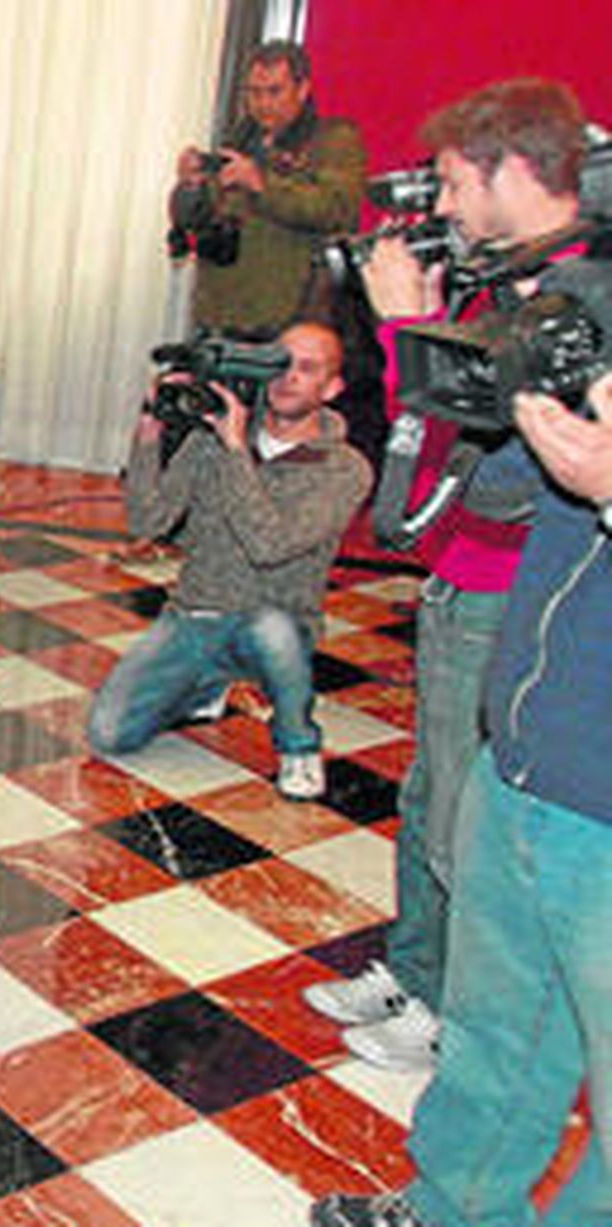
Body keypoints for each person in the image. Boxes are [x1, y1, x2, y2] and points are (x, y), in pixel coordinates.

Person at [301, 78, 585, 1074]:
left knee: (467, 812)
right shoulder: (508, 277)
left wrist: (398, 326)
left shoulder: (572, 299)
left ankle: (454, 1011)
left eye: (458, 183)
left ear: (516, 172)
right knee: (430, 792)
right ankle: (417, 969)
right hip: (459, 568)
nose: (447, 205)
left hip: (508, 582)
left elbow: (478, 443)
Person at [310, 361, 612, 1226]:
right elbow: (491, 488)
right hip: (524, 758)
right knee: (494, 1036)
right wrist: (532, 377)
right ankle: (451, 1210)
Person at [87, 322, 371, 800]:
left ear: (332, 388)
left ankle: (299, 745)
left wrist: (236, 448)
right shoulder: (211, 437)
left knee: (272, 631)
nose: (288, 378)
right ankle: (206, 683)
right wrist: (148, 434)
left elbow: (269, 544)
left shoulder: (344, 468)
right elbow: (148, 520)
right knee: (109, 734)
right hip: (196, 613)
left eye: (307, 369)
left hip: (277, 620)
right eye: (280, 364)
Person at [170, 40, 366, 336]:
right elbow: (193, 219)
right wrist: (190, 187)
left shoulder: (332, 140)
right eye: (254, 92)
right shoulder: (237, 140)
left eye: (274, 91)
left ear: (302, 89)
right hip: (220, 310)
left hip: (291, 315)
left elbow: (338, 210)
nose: (262, 103)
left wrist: (262, 185)